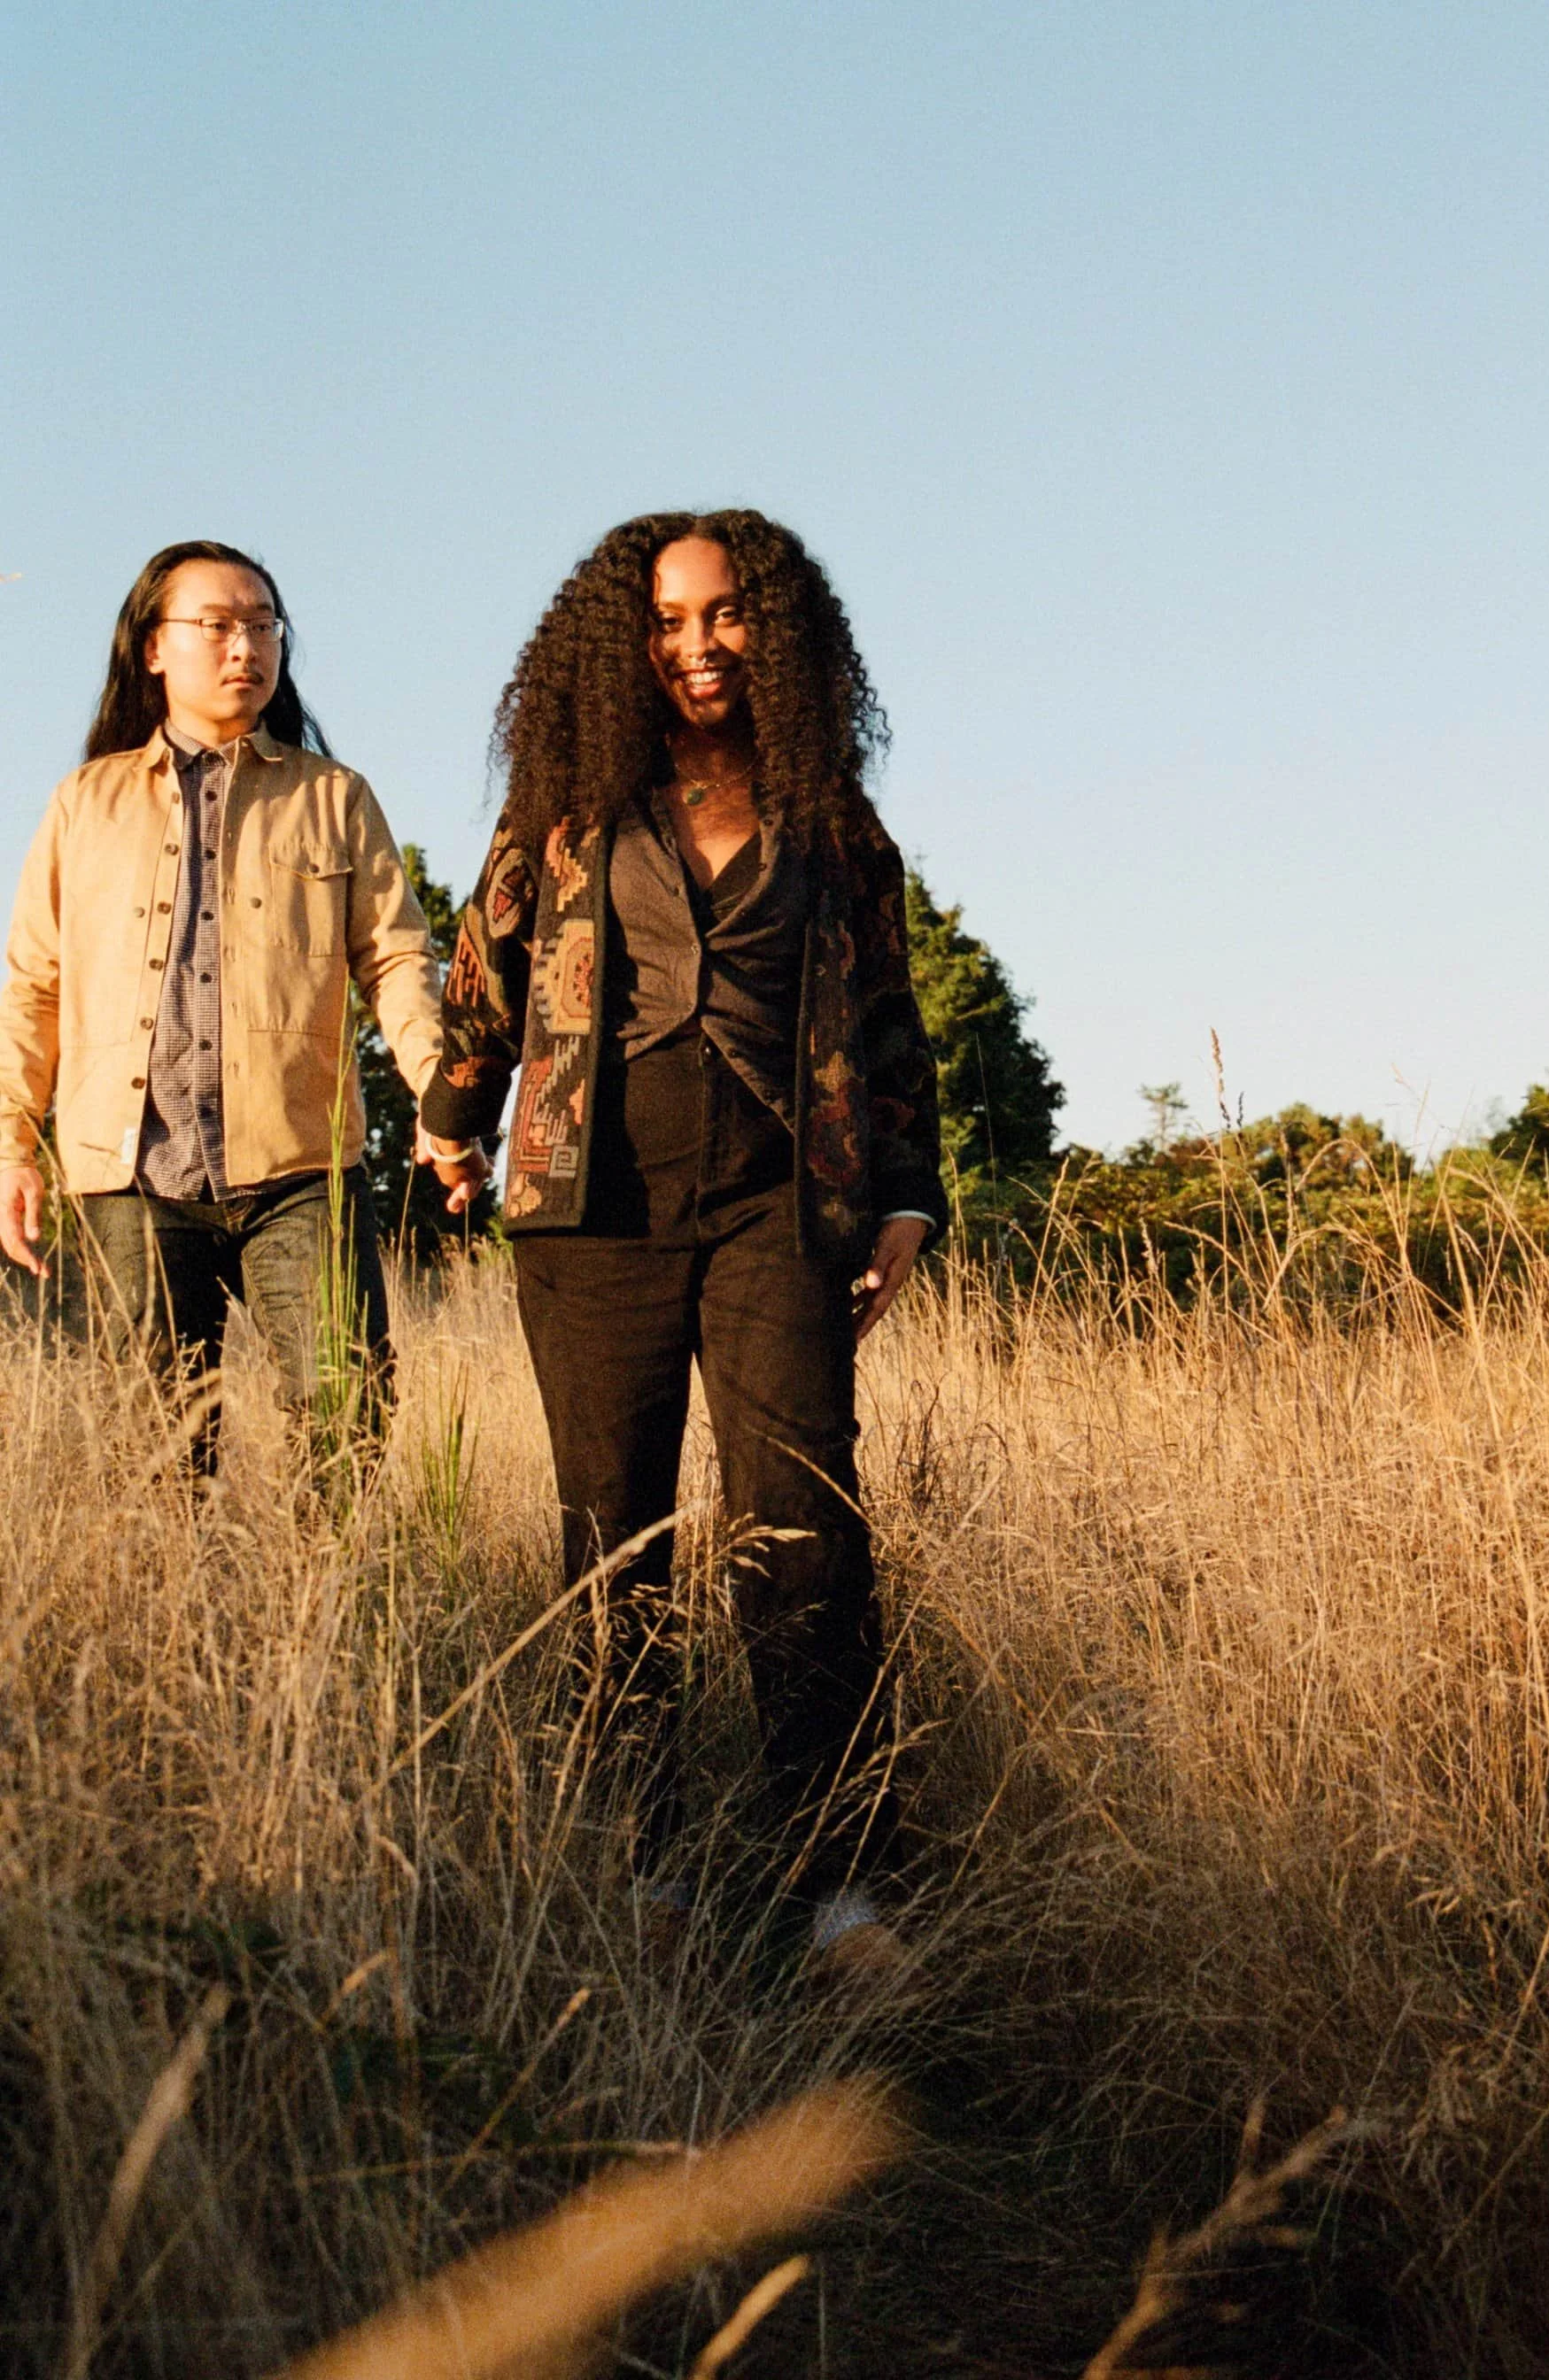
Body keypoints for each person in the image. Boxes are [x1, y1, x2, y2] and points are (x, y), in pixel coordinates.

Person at [419, 510, 943, 1969]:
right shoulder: (570, 802)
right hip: (593, 1210)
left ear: (775, 633)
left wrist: (908, 1196)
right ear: (622, 639)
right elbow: (487, 971)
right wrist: (452, 1119)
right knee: (616, 1538)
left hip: (784, 1202)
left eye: (724, 616)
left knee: (805, 1537)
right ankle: (646, 1870)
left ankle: (842, 1884)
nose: (697, 644)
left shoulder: (833, 815)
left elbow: (893, 1017)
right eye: (667, 619)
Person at [0, 539, 483, 1463]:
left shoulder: (334, 798)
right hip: (131, 1174)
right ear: (153, 647)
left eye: (263, 627)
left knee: (350, 1419)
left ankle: (321, 1606)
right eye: (217, 626)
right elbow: (33, 986)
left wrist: (438, 1095)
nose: (245, 649)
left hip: (303, 1164)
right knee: (157, 1453)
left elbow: (397, 960)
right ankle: (194, 1611)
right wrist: (10, 1146)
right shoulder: (82, 805)